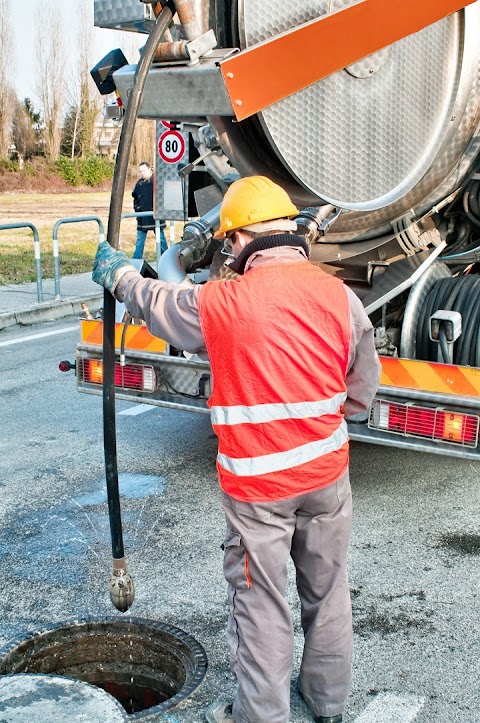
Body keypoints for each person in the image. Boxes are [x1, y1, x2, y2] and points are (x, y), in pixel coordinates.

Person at [93, 175, 381, 723]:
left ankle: (262, 716)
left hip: (259, 491)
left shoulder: (223, 302)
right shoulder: (339, 296)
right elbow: (361, 390)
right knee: (328, 591)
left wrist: (121, 276)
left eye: (229, 244)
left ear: (243, 238)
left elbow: (160, 301)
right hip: (327, 478)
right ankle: (327, 703)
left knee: (262, 607)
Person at [132, 161, 167, 258]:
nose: (142, 173)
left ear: (149, 169)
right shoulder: (139, 184)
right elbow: (135, 198)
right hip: (142, 218)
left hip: (156, 216)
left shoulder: (157, 181)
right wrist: (137, 209)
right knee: (139, 241)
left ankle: (166, 259)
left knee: (161, 240)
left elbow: (163, 197)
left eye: (143, 170)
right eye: (140, 171)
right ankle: (136, 261)